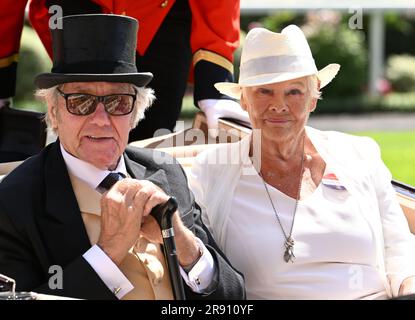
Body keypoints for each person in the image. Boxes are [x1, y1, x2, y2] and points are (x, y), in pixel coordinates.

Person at [0, 14, 245, 300]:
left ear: (135, 113)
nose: (102, 120)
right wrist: (108, 252)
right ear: (53, 112)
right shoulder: (13, 202)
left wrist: (183, 243)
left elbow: (234, 299)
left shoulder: (166, 173)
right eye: (81, 102)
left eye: (118, 102)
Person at [188, 25, 415, 299]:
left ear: (313, 97)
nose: (279, 105)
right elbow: (203, 272)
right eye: (264, 91)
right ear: (244, 100)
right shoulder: (212, 172)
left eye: (293, 92)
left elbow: (399, 250)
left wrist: (408, 287)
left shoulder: (360, 154)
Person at [0, 0, 249, 142]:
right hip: (79, 2)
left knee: (151, 142)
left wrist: (214, 84)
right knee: (81, 119)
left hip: (161, 13)